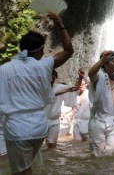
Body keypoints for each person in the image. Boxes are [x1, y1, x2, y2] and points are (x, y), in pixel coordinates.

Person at [0, 13, 73, 175]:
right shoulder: (45, 65)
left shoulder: (4, 69)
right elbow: (68, 50)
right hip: (40, 128)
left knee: (21, 172)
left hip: (18, 129)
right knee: (26, 169)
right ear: (40, 51)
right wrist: (60, 24)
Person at [44, 69, 78, 149]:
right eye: (49, 77)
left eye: (53, 78)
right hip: (41, 120)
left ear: (55, 78)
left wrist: (80, 78)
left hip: (55, 121)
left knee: (52, 144)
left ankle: (51, 159)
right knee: (37, 144)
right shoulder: (40, 88)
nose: (51, 80)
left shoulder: (59, 87)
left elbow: (74, 88)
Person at [72, 69, 91, 142]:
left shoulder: (90, 94)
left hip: (87, 123)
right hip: (76, 123)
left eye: (82, 84)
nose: (80, 86)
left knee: (87, 146)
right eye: (78, 84)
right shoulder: (75, 94)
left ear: (86, 84)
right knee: (77, 146)